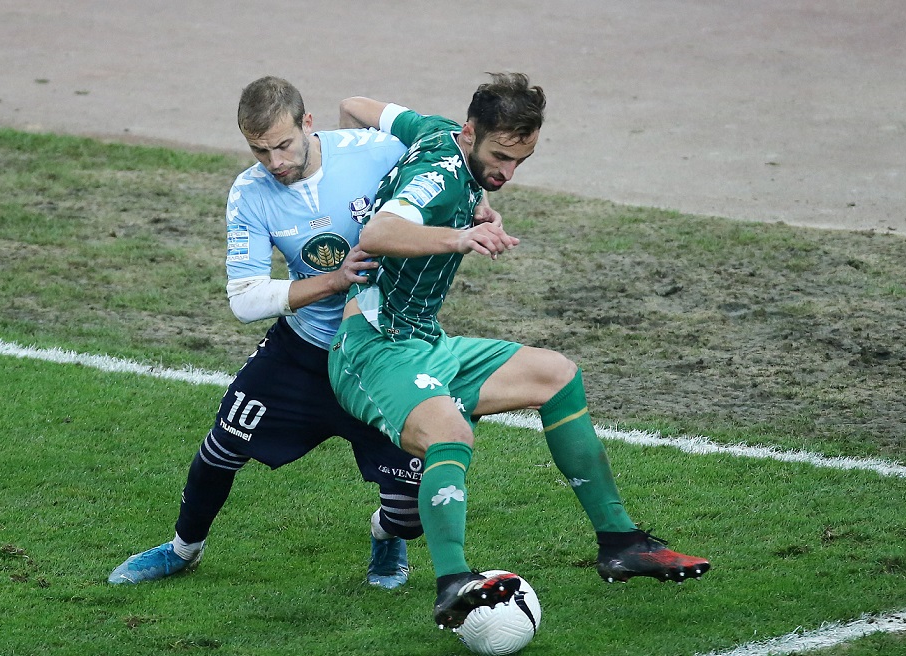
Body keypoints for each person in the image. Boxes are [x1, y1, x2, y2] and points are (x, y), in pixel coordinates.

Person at [329, 72, 711, 629]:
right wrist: (460, 234)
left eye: (520, 160)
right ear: (470, 133)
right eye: (500, 157)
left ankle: (620, 542)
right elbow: (379, 233)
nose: (508, 172)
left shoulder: (434, 131)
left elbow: (352, 107)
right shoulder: (435, 177)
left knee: (556, 374)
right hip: (374, 348)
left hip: (427, 341)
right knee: (451, 435)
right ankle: (452, 581)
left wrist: (464, 195)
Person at [108, 76, 424, 590]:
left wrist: (473, 205)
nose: (275, 162)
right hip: (303, 352)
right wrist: (335, 281)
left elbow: (447, 161)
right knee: (222, 446)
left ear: (307, 123)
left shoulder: (375, 150)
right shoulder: (250, 192)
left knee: (411, 509)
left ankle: (386, 536)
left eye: (283, 145)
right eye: (260, 150)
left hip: (380, 354)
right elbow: (246, 298)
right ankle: (183, 549)